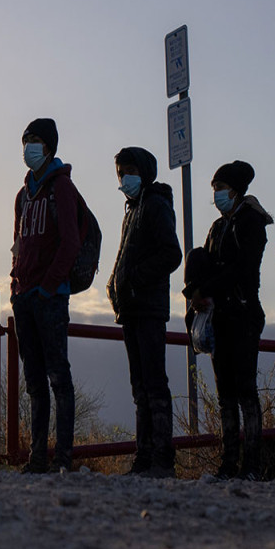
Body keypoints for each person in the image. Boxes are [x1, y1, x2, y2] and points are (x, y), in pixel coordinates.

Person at [183, 161, 272, 480]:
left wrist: (205, 287)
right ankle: (228, 463)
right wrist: (194, 291)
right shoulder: (218, 227)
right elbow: (205, 263)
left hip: (244, 316)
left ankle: (251, 465)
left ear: (235, 189)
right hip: (218, 317)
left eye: (219, 188)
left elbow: (242, 269)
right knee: (225, 397)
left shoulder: (252, 223)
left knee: (245, 391)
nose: (216, 194)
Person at [11, 118, 81, 474]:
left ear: (50, 146)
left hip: (50, 299)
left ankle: (64, 458)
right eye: (26, 140)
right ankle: (38, 458)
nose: (29, 147)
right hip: (24, 298)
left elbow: (71, 242)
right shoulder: (23, 196)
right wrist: (15, 288)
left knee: (58, 378)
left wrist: (49, 287)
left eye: (36, 140)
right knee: (35, 381)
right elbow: (18, 246)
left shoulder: (62, 188)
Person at [108, 146, 182, 478]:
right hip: (132, 308)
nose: (125, 177)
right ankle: (144, 457)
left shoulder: (154, 205)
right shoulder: (132, 209)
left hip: (149, 307)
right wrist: (115, 284)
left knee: (153, 383)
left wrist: (135, 279)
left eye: (130, 170)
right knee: (140, 385)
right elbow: (127, 254)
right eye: (121, 172)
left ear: (145, 172)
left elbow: (171, 254)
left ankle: (162, 459)